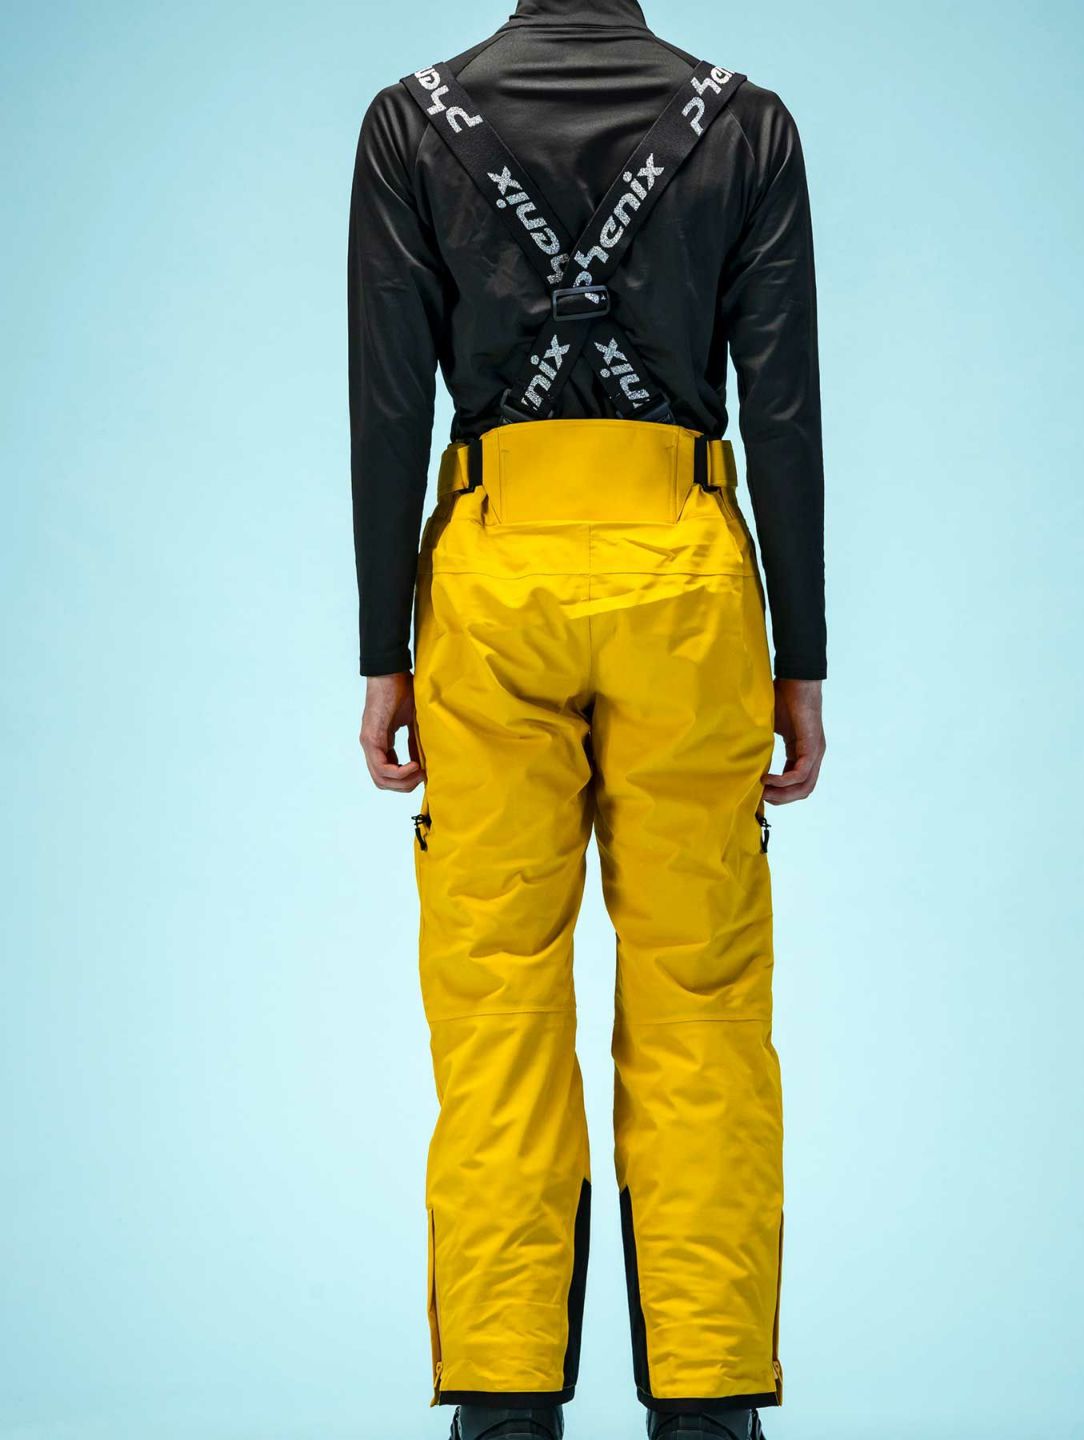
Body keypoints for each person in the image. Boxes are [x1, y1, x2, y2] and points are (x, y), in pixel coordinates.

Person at [348, 1, 826, 1435]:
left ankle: (502, 1409)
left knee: (496, 1003)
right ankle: (710, 1407)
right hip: (687, 581)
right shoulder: (746, 122)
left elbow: (388, 401)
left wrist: (383, 650)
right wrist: (801, 658)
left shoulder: (410, 122)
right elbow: (782, 405)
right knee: (703, 1007)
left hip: (491, 576)